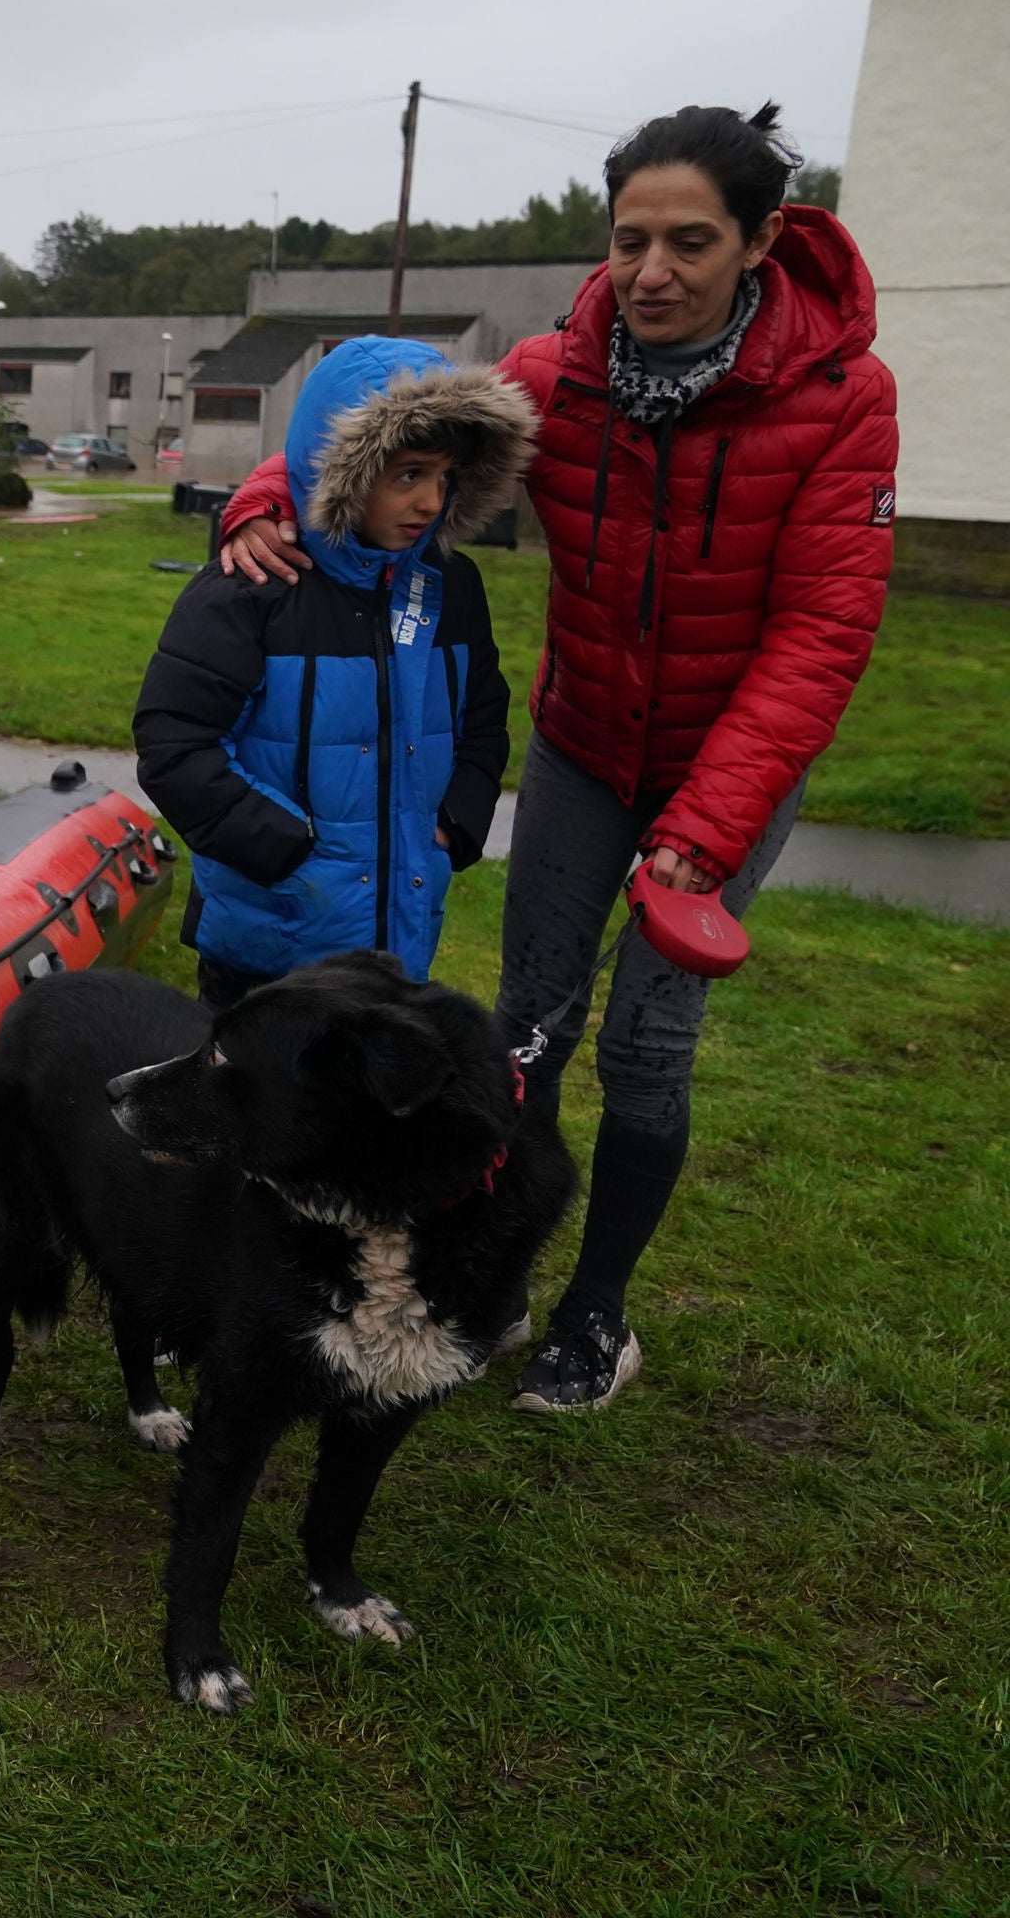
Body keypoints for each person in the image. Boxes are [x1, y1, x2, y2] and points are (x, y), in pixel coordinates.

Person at [211, 104, 897, 1415]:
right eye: (630, 238)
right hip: (586, 747)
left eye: (690, 241)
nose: (652, 272)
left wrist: (707, 826)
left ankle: (598, 1312)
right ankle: (509, 1268)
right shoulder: (555, 370)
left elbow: (823, 630)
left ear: (761, 241)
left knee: (647, 1043)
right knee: (528, 1029)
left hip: (730, 767)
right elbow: (377, 433)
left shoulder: (840, 397)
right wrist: (264, 499)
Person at [132, 338, 527, 1006]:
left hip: (400, 947)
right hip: (266, 953)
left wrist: (453, 824)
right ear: (341, 469)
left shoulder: (453, 589)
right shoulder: (251, 587)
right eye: (408, 474)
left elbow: (484, 721)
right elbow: (175, 743)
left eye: (445, 476)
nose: (432, 501)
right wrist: (290, 850)